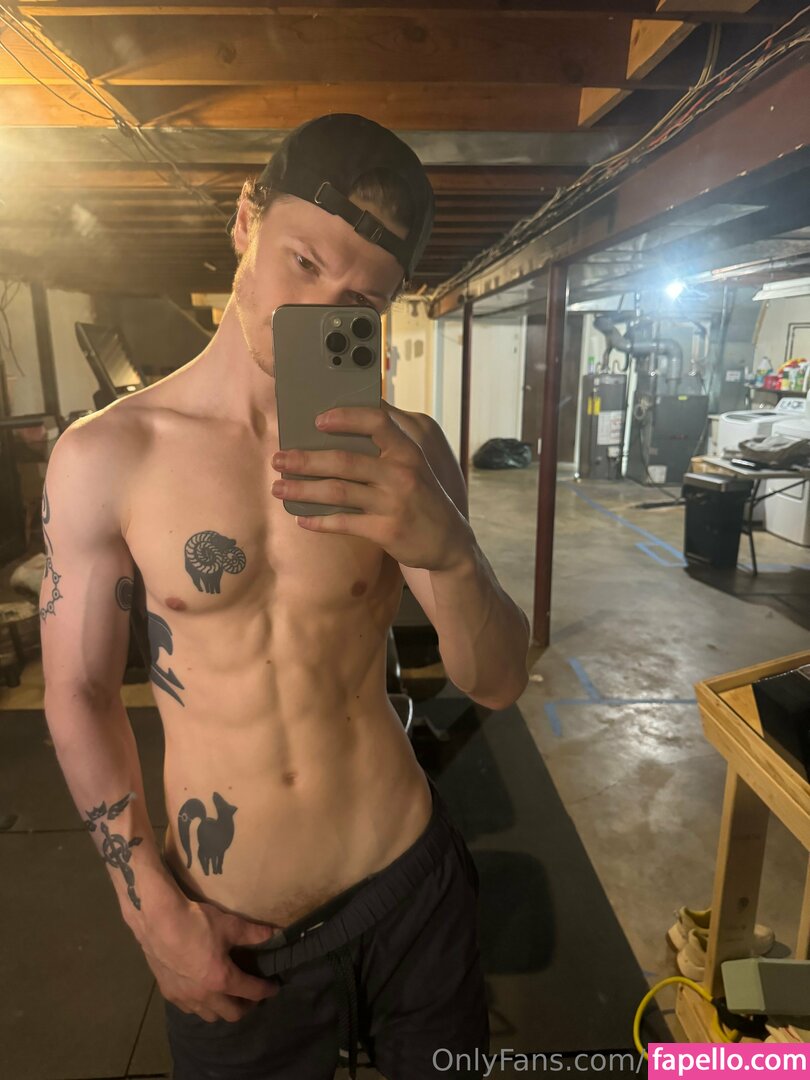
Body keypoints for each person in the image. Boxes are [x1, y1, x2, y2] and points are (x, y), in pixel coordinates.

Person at [40, 113, 531, 1080]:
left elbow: (499, 682)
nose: (318, 307)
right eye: (303, 262)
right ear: (245, 220)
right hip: (232, 929)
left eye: (362, 299)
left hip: (410, 886)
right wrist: (150, 911)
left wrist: (450, 551)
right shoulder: (109, 455)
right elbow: (80, 694)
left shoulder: (409, 450)